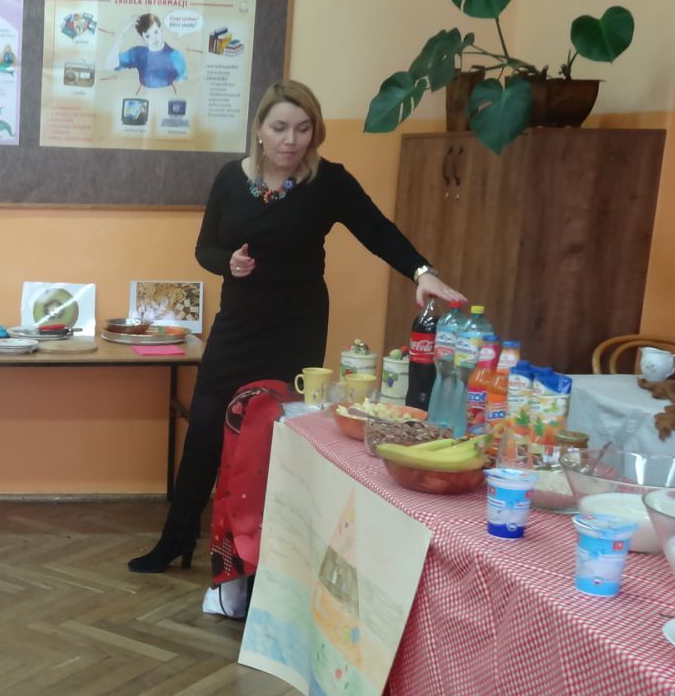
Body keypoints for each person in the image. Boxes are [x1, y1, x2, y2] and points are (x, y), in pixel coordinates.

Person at [128, 81, 466, 573]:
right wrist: (229, 264)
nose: (292, 140)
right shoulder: (230, 179)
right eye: (280, 128)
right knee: (205, 426)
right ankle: (176, 538)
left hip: (296, 326)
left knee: (279, 432)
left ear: (315, 131)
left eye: (303, 129)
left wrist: (421, 271)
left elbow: (378, 230)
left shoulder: (328, 182)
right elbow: (205, 248)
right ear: (260, 130)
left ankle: (271, 550)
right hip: (238, 322)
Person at [106, 14, 185, 91]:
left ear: (161, 29)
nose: (154, 38)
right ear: (142, 38)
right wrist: (123, 33)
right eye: (148, 36)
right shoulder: (138, 53)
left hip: (167, 95)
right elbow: (109, 64)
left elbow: (182, 84)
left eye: (156, 32)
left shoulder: (175, 55)